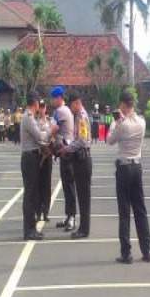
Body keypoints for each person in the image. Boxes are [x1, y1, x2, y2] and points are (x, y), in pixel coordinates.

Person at [107, 90, 150, 263]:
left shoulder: (122, 124)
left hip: (124, 167)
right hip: (137, 165)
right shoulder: (142, 122)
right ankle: (147, 250)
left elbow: (109, 140)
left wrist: (114, 121)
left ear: (124, 105)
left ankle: (126, 253)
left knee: (124, 211)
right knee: (140, 209)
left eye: (120, 105)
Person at [58, 91, 92, 239]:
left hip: (83, 158)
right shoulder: (78, 116)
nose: (70, 109)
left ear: (77, 103)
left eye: (71, 105)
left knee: (84, 196)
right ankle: (83, 227)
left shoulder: (82, 117)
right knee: (81, 194)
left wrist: (68, 148)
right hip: (79, 158)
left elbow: (83, 140)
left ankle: (84, 229)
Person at [20, 94, 49, 241]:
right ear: (35, 103)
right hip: (29, 158)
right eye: (39, 103)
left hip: (33, 156)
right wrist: (52, 131)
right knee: (30, 195)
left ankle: (32, 228)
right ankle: (28, 230)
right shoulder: (28, 117)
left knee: (33, 194)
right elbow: (40, 136)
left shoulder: (29, 117)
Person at [50, 87, 77, 232]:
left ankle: (72, 217)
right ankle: (69, 216)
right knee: (66, 186)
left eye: (54, 98)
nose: (53, 101)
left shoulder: (61, 111)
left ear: (60, 97)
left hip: (67, 151)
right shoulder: (61, 110)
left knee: (69, 186)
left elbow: (53, 129)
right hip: (64, 152)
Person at [37, 99, 53, 223]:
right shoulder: (34, 122)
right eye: (40, 107)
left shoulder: (50, 122)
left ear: (46, 108)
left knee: (47, 184)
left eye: (43, 107)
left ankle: (45, 212)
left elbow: (52, 136)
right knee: (38, 184)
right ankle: (37, 212)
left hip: (47, 155)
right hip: (38, 155)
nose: (42, 110)